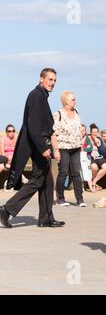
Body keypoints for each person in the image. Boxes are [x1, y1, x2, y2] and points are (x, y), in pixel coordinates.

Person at [0, 68, 65, 228]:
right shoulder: (36, 96)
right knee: (38, 180)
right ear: (41, 79)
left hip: (39, 144)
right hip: (37, 145)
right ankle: (6, 209)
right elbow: (33, 125)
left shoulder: (42, 96)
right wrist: (43, 148)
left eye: (54, 80)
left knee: (47, 182)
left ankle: (45, 218)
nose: (53, 83)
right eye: (50, 79)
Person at [53, 91, 85, 207]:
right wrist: (56, 150)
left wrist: (80, 142)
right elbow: (53, 133)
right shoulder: (58, 114)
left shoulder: (76, 112)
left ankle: (80, 199)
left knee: (76, 172)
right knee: (63, 172)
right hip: (63, 147)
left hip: (76, 147)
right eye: (73, 100)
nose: (75, 101)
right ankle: (60, 198)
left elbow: (79, 128)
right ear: (66, 101)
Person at [86, 124, 106, 192]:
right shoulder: (87, 138)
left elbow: (104, 152)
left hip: (99, 157)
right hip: (90, 158)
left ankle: (94, 182)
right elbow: (85, 149)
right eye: (93, 132)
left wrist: (99, 145)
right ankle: (94, 185)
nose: (95, 133)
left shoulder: (99, 139)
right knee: (94, 167)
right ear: (91, 132)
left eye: (96, 132)